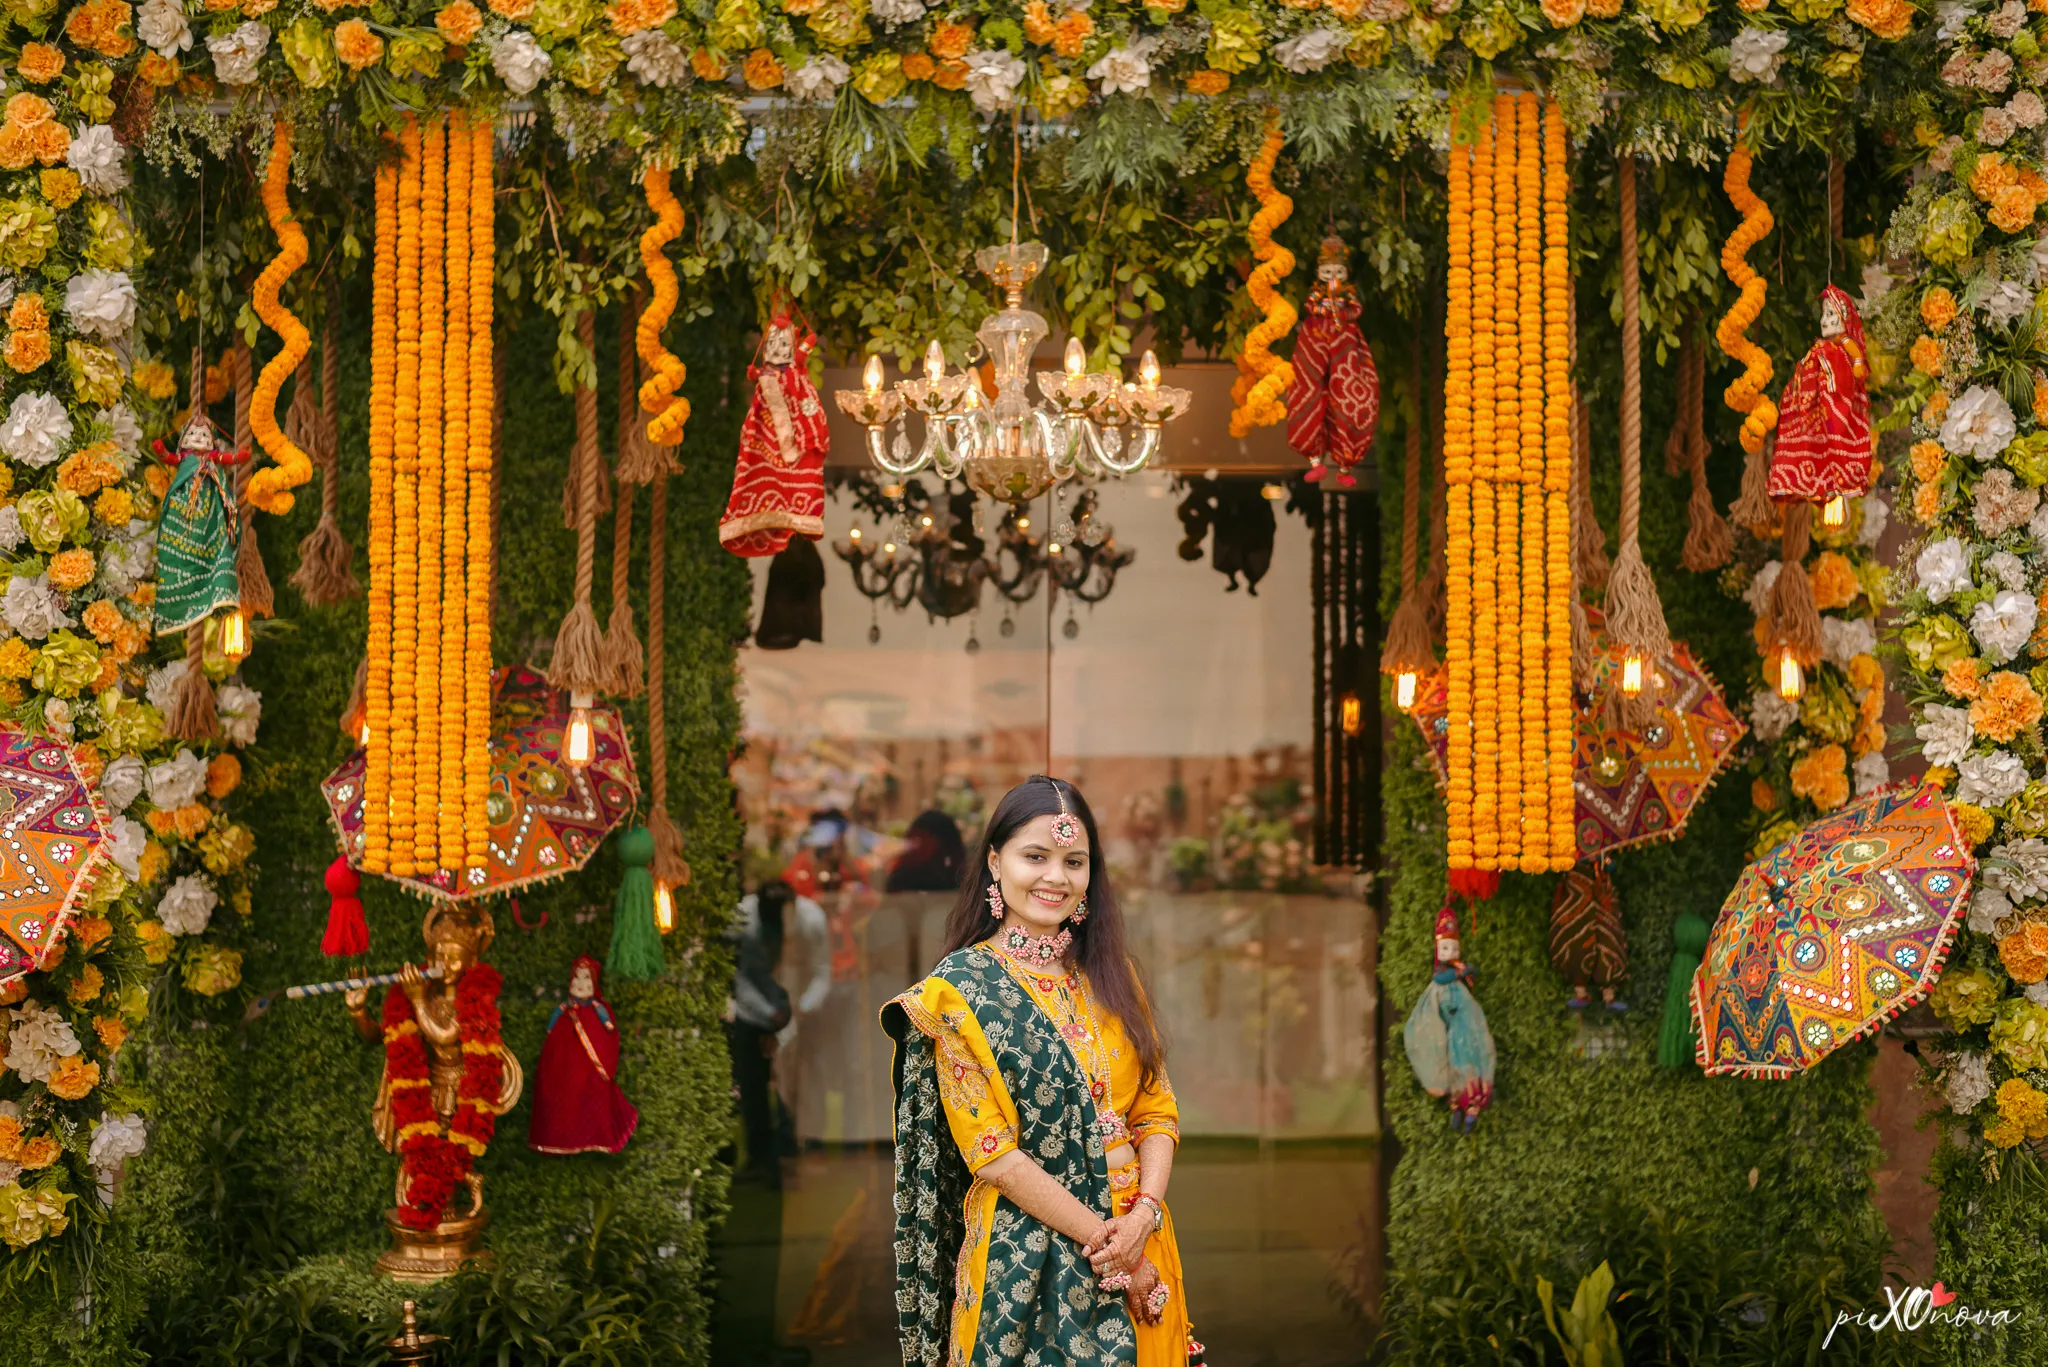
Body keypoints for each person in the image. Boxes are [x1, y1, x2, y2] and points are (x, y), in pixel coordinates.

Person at [882, 777, 1195, 1367]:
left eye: (1074, 862)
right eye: (1035, 856)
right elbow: (993, 1154)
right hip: (1030, 1259)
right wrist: (1115, 1250)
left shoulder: (1113, 975)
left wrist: (1143, 1217)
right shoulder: (961, 994)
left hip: (1143, 1237)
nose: (1056, 877)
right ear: (994, 862)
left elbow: (1156, 1109)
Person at [886, 808, 967, 893]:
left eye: (920, 840)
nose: (914, 847)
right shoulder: (904, 873)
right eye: (911, 840)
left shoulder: (957, 875)